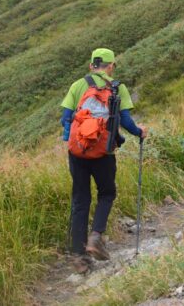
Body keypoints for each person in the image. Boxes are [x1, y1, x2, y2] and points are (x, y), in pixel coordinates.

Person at [61, 47, 146, 270]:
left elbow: (66, 118)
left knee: (80, 199)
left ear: (91, 65)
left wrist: (73, 138)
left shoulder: (78, 85)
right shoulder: (118, 88)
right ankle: (96, 237)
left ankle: (79, 257)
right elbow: (126, 121)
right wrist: (139, 132)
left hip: (77, 152)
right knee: (107, 193)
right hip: (103, 152)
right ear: (110, 67)